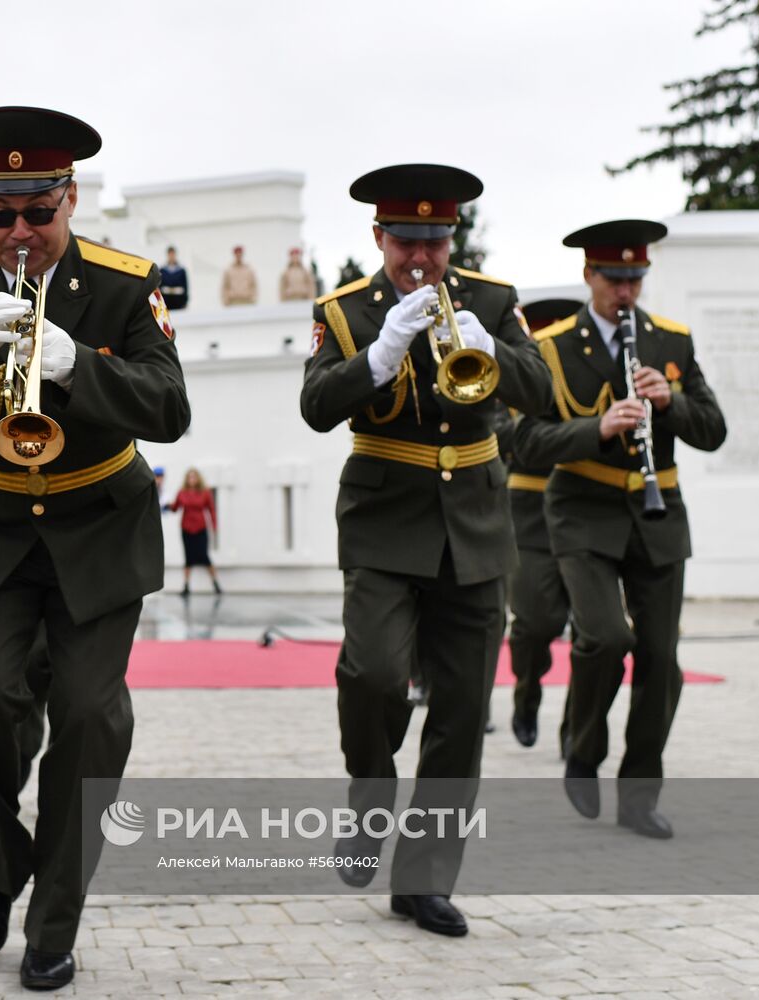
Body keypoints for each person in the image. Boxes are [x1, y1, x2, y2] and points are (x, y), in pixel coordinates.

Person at [0, 106, 190, 991]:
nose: (19, 235)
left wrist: (75, 366)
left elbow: (170, 410)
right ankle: (0, 861)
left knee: (90, 721)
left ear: (70, 198)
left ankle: (53, 920)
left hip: (99, 526)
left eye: (37, 214)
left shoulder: (128, 285)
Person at [300, 163, 552, 937]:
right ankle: (369, 795)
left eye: (435, 241)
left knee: (462, 710)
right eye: (406, 240)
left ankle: (424, 881)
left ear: (453, 239)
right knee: (373, 674)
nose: (422, 258)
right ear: (379, 237)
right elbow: (316, 406)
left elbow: (539, 395)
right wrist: (377, 357)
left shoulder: (492, 301)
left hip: (474, 523)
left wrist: (494, 351)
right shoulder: (344, 312)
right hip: (384, 518)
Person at [514, 220, 726, 839]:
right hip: (582, 510)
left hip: (658, 515)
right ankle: (583, 749)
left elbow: (712, 429)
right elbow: (524, 443)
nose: (626, 291)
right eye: (615, 278)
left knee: (662, 660)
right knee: (606, 637)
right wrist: (597, 429)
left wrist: (671, 403)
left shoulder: (672, 342)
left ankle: (639, 796)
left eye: (636, 277)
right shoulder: (551, 348)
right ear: (589, 276)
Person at [499, 298, 584, 749]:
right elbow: (499, 434)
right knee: (533, 622)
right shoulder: (513, 379)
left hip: (587, 507)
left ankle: (576, 728)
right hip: (531, 513)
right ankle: (527, 690)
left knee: (592, 633)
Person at [167, 467, 220, 595]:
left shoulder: (205, 492)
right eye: (190, 477)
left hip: (201, 528)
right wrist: (167, 505)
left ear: (198, 479)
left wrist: (214, 526)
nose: (192, 479)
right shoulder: (182, 492)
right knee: (188, 557)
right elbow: (175, 507)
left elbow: (211, 509)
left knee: (204, 556)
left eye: (194, 477)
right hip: (186, 528)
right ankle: (186, 586)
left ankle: (216, 583)